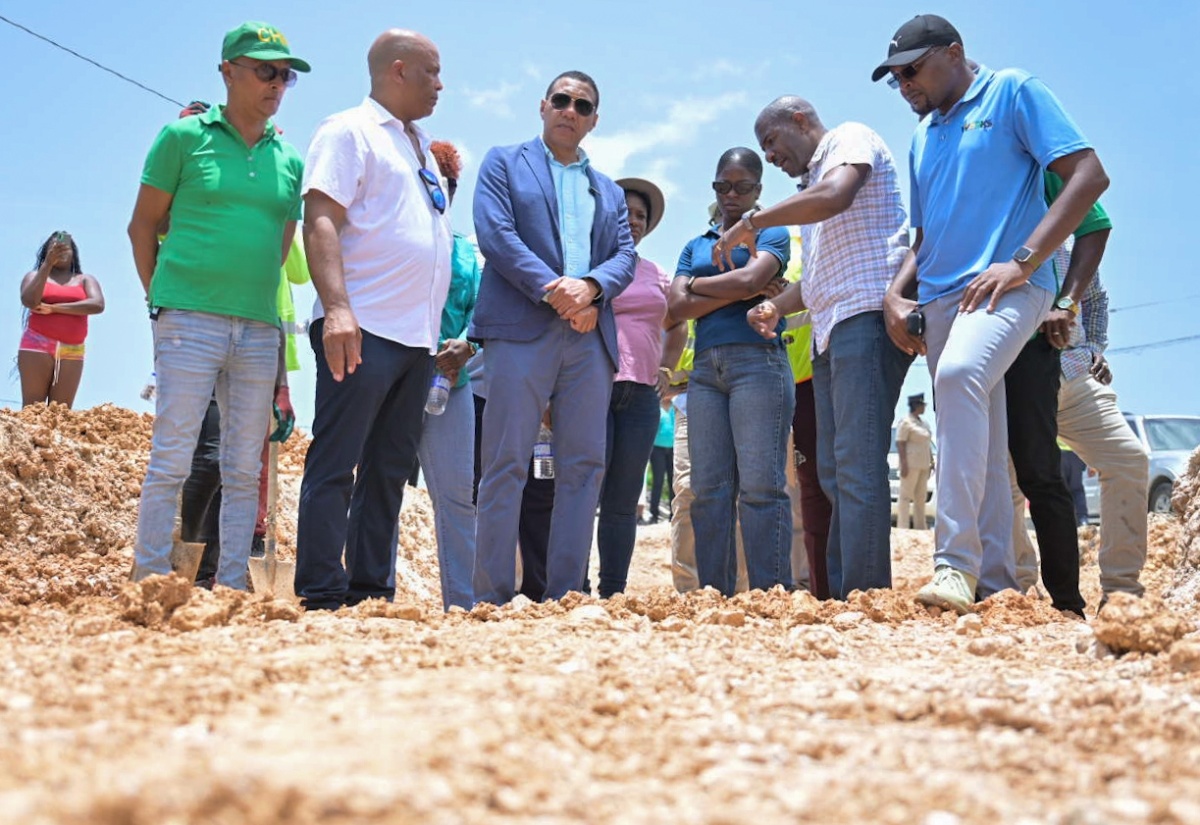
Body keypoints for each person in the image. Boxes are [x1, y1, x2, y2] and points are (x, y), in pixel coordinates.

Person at [874, 14, 1109, 613]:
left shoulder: (1012, 91)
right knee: (982, 428)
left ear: (954, 53)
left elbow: (1089, 175)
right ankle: (999, 584)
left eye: (913, 70)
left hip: (1006, 289)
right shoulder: (923, 135)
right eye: (895, 77)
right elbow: (924, 235)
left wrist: (1025, 263)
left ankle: (953, 562)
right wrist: (897, 294)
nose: (904, 85)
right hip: (940, 297)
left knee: (957, 380)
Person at [127, 21, 308, 589]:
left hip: (256, 329)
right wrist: (163, 300)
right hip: (187, 320)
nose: (276, 82)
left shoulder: (290, 161)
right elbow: (142, 227)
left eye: (284, 74)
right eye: (264, 70)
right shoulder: (180, 139)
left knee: (241, 466)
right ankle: (151, 579)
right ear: (228, 71)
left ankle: (231, 586)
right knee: (173, 456)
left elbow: (280, 247)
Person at [731, 96, 912, 598]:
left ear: (799, 120)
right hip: (831, 328)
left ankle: (868, 594)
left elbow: (837, 195)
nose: (769, 156)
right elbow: (814, 282)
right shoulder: (808, 188)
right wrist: (776, 308)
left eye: (770, 142)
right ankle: (839, 594)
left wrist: (754, 221)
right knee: (833, 468)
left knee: (855, 461)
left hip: (867, 317)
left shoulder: (848, 138)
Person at [296, 29, 451, 611]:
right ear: (399, 70)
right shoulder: (348, 131)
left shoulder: (419, 145)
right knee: (337, 463)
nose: (441, 84)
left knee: (388, 471)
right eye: (433, 73)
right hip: (361, 328)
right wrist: (337, 309)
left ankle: (369, 589)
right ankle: (320, 589)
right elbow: (321, 221)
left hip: (416, 339)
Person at [471, 70, 636, 605]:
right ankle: (491, 598)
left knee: (584, 468)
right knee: (505, 462)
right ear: (543, 106)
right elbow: (496, 234)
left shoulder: (608, 190)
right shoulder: (502, 161)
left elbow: (625, 258)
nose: (570, 110)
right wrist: (557, 293)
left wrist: (590, 289)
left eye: (582, 105)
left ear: (594, 119)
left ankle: (567, 595)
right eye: (561, 100)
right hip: (520, 332)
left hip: (589, 340)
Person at [667, 147, 793, 596]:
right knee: (709, 489)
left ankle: (770, 595)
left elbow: (746, 283)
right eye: (723, 186)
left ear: (759, 190)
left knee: (761, 486)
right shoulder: (695, 244)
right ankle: (713, 596)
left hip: (757, 362)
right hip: (705, 369)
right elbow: (675, 306)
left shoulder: (773, 230)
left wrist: (698, 286)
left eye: (742, 187)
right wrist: (740, 289)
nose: (731, 195)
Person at [1012, 239, 1149, 608]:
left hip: (1074, 376)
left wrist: (1096, 349)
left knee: (1128, 460)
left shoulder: (1072, 243)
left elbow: (1096, 300)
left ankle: (1122, 592)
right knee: (1006, 484)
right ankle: (1019, 590)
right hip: (1011, 381)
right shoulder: (997, 225)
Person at [592, 176, 670, 597]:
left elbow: (676, 323)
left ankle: (612, 592)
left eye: (641, 215)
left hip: (642, 396)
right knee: (583, 492)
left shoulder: (657, 273)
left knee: (623, 501)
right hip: (594, 388)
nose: (634, 221)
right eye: (626, 213)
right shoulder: (587, 265)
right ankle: (572, 584)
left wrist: (668, 366)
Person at [415, 140, 480, 611]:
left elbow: (483, 312)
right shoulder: (393, 241)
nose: (442, 188)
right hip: (393, 377)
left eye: (450, 182)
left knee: (457, 494)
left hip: (451, 385)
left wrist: (468, 344)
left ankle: (463, 603)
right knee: (378, 484)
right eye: (432, 177)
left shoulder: (466, 253)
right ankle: (373, 596)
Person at [18, 232, 104, 408]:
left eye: (67, 247)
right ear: (47, 252)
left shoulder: (85, 279)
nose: (62, 250)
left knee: (61, 409)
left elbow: (97, 304)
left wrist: (54, 308)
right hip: (37, 344)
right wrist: (47, 264)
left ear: (74, 253)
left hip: (73, 348)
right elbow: (30, 301)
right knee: (33, 407)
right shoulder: (34, 276)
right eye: (55, 247)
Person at [896, 393, 933, 529]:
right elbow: (900, 443)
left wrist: (932, 461)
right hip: (911, 464)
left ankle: (920, 526)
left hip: (923, 463)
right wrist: (903, 463)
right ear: (916, 406)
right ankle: (903, 526)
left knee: (920, 497)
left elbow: (927, 443)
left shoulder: (923, 423)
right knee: (905, 496)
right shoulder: (906, 422)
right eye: (922, 405)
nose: (924, 408)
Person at [647, 398, 675, 524]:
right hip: (657, 449)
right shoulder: (656, 406)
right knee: (657, 481)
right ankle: (654, 513)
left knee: (673, 482)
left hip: (674, 449)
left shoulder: (676, 407)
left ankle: (673, 513)